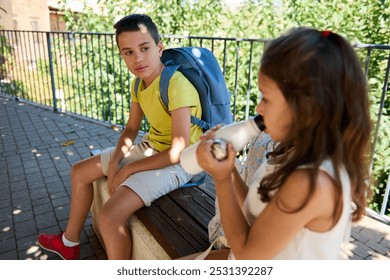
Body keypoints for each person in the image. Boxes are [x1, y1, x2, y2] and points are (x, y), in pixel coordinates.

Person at [187, 27, 372, 260]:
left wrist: (221, 179)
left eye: (266, 97)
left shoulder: (312, 183)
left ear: (305, 108)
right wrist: (229, 168)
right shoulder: (290, 150)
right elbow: (254, 213)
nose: (258, 108)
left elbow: (248, 256)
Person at [37, 14, 203, 260]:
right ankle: (69, 242)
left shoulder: (176, 85)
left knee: (110, 215)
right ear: (122, 55)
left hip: (182, 162)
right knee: (79, 171)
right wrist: (115, 162)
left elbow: (177, 151)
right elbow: (130, 129)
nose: (137, 58)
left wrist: (127, 169)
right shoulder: (138, 84)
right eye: (128, 52)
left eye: (144, 48)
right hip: (152, 148)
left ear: (159, 48)